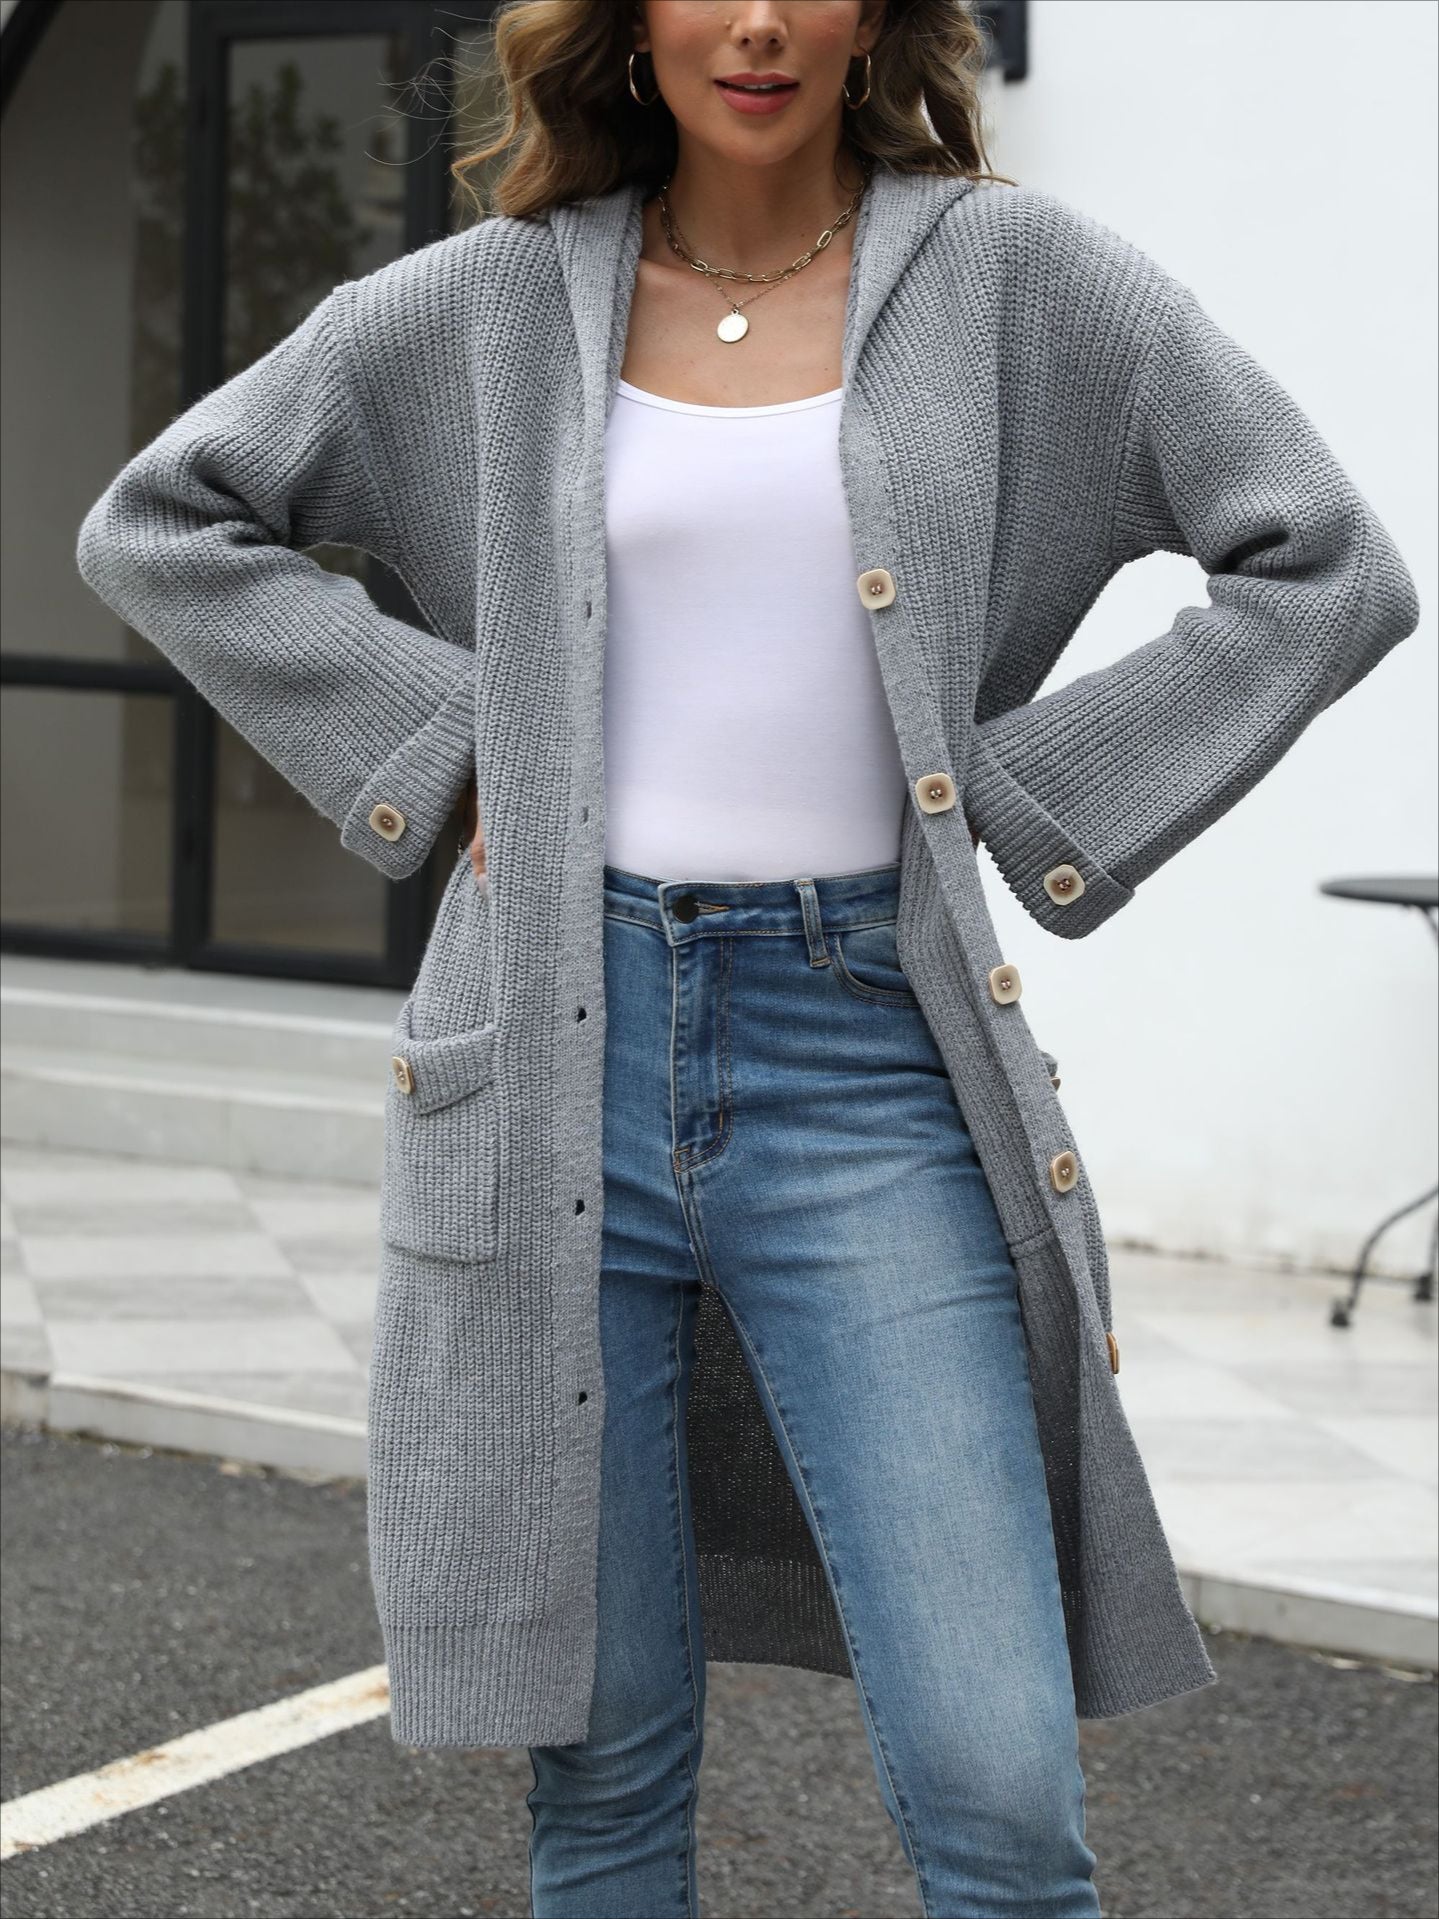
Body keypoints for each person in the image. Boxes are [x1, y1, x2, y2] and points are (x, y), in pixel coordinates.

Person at [75, 3, 1421, 1916]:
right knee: (606, 1771)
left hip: (868, 1059)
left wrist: (1034, 798)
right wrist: (447, 745)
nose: (764, 18)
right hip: (548, 1062)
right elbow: (165, 521)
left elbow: (1324, 566)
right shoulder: (491, 303)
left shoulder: (1016, 278)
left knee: (999, 1786)